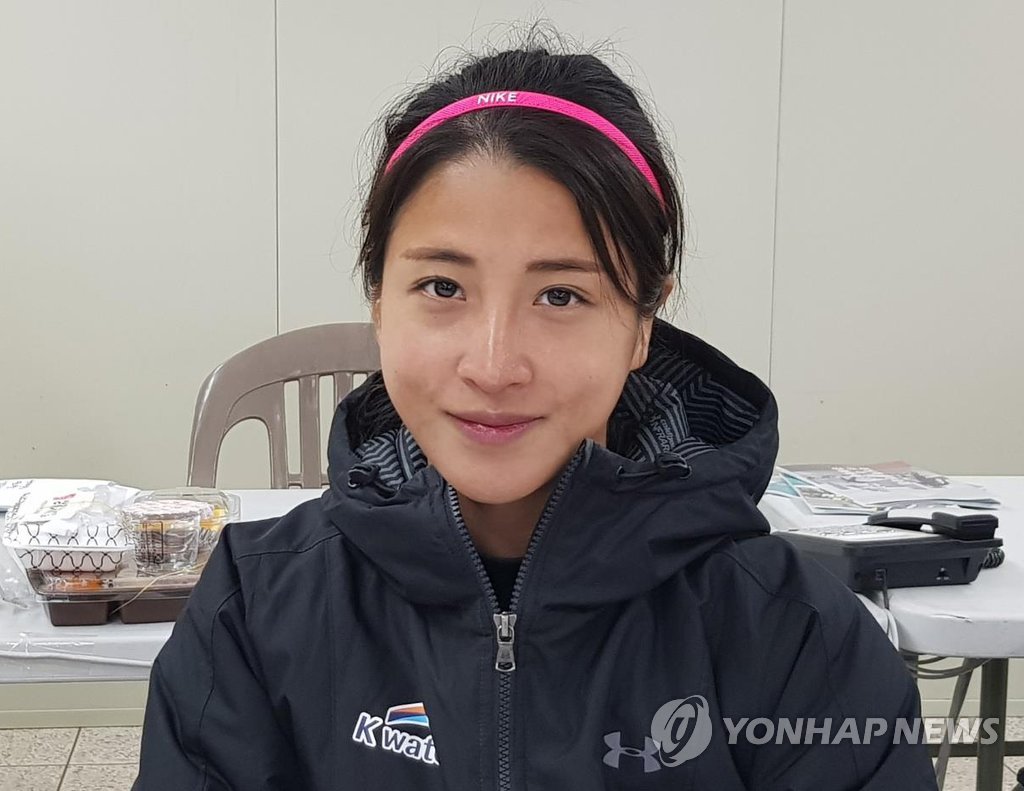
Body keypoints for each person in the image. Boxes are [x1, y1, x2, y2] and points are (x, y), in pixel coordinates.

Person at [133, 40, 938, 790]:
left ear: (643, 325)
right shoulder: (256, 609)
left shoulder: (796, 639)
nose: (493, 365)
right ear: (379, 302)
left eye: (560, 295)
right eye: (442, 287)